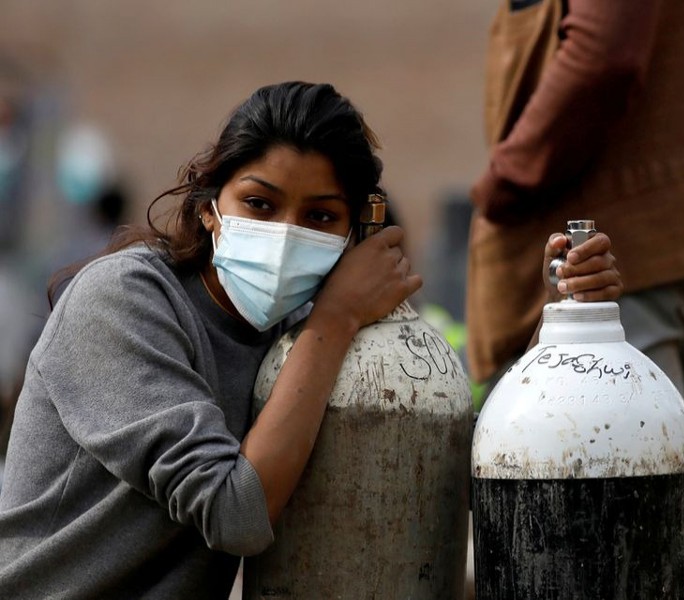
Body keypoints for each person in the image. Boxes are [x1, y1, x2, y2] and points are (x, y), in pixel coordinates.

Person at [0, 81, 620, 599]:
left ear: (353, 233)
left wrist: (561, 322)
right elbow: (234, 512)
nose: (286, 234)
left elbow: (448, 461)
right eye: (260, 204)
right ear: (211, 206)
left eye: (320, 217)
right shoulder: (126, 300)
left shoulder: (305, 335)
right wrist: (335, 321)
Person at [466, 1, 684, 598]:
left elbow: (604, 55)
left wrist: (505, 179)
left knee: (634, 526)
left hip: (611, 257)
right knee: (674, 512)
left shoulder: (596, 258)